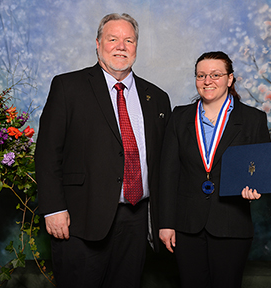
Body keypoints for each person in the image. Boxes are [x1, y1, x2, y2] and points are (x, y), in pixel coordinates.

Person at [35, 13, 171, 288]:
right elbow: (47, 153)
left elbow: (165, 164)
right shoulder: (68, 87)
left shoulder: (156, 97)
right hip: (79, 219)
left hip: (136, 221)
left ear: (136, 47)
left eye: (129, 40)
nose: (121, 46)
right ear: (98, 44)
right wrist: (53, 209)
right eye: (113, 39)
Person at [159, 51, 270, 288]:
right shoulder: (179, 117)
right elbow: (168, 175)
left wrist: (256, 190)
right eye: (201, 75)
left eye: (215, 75)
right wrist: (165, 223)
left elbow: (260, 171)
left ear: (230, 79)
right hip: (186, 225)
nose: (207, 81)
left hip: (231, 223)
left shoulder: (253, 119)